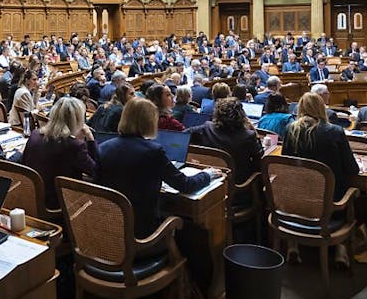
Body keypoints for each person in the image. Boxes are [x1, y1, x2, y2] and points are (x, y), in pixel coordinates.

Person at [97, 98, 221, 238]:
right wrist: (208, 174)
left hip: (110, 226)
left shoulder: (103, 147)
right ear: (149, 121)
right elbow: (185, 185)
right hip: (143, 232)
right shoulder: (152, 151)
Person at [280, 92, 359, 206]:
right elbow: (353, 169)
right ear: (322, 108)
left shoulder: (290, 129)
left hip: (299, 198)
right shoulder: (335, 131)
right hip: (332, 201)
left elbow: (286, 163)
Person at [22, 97, 98, 210]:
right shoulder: (74, 145)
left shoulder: (35, 134)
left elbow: (23, 162)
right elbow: (95, 172)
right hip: (60, 202)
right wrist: (90, 139)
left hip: (32, 197)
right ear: (77, 120)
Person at [188, 98, 262, 184]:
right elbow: (259, 159)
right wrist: (254, 131)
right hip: (237, 182)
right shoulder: (248, 136)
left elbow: (182, 136)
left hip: (211, 176)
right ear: (242, 115)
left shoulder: (206, 128)